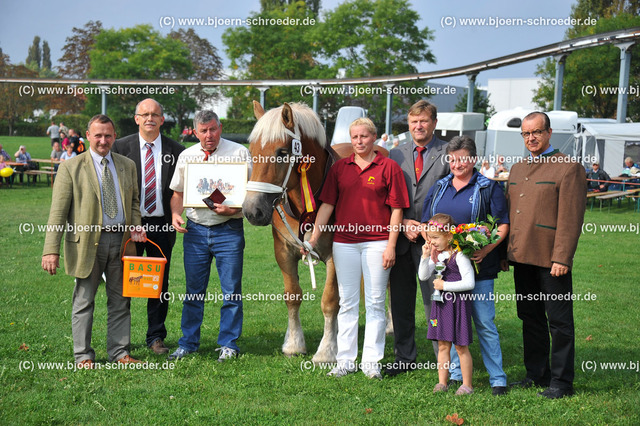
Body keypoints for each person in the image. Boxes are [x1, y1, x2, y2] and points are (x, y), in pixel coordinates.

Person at [304, 118, 409, 379]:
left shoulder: (389, 167)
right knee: (347, 303)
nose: (359, 141)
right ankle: (345, 361)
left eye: (364, 136)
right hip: (345, 244)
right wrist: (314, 238)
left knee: (375, 303)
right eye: (354, 137)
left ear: (374, 138)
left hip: (378, 243)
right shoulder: (340, 168)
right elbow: (326, 205)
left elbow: (397, 210)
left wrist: (391, 246)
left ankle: (371, 362)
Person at [41, 114, 147, 368]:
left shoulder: (127, 165)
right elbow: (57, 212)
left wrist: (136, 225)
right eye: (97, 135)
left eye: (108, 135)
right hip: (87, 244)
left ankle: (120, 353)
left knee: (121, 300)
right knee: (84, 300)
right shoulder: (70, 167)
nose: (103, 140)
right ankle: (83, 356)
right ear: (87, 136)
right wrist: (50, 251)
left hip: (122, 244)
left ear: (114, 137)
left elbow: (133, 202)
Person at [422, 136, 510, 396]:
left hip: (478, 269)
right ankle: (457, 378)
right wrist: (433, 247)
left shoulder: (487, 187)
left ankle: (497, 379)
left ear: (473, 159)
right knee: (450, 325)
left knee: (483, 322)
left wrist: (487, 247)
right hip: (446, 272)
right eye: (452, 159)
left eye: (463, 159)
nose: (457, 164)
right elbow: (428, 223)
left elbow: (502, 224)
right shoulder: (439, 187)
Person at [507, 111, 586, 399]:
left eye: (537, 132)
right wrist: (506, 254)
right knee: (530, 318)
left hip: (552, 261)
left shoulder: (568, 168)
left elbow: (571, 218)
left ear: (549, 133)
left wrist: (562, 258)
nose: (531, 138)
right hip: (521, 257)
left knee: (560, 322)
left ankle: (562, 382)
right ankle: (536, 374)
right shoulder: (516, 169)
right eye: (526, 134)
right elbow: (510, 215)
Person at [168, 110, 251, 362]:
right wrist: (175, 215)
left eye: (213, 129)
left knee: (231, 291)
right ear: (195, 132)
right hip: (195, 230)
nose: (209, 135)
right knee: (193, 291)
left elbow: (252, 193)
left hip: (229, 230)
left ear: (220, 127)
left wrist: (235, 209)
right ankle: (188, 343)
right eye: (203, 131)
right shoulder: (187, 156)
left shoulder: (239, 153)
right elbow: (178, 194)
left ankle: (229, 344)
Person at [112, 98, 185, 355]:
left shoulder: (177, 150)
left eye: (155, 114)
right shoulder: (120, 147)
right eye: (144, 114)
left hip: (162, 226)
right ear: (136, 119)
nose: (150, 118)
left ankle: (156, 337)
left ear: (162, 120)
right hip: (128, 225)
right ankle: (121, 340)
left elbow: (182, 189)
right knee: (125, 281)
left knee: (158, 284)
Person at [386, 100, 450, 377]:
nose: (418, 126)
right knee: (400, 303)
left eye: (423, 121)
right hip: (400, 240)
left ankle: (442, 360)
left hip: (433, 242)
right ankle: (404, 357)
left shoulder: (448, 153)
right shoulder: (395, 154)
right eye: (413, 122)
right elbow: (386, 198)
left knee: (434, 300)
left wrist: (428, 227)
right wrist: (404, 224)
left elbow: (453, 194)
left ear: (434, 123)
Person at [419, 213, 475, 395]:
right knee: (443, 345)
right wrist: (425, 257)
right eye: (429, 238)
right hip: (441, 307)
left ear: (449, 236)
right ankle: (442, 382)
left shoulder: (460, 256)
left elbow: (469, 283)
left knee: (460, 346)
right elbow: (423, 275)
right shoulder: (438, 256)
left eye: (435, 237)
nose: (432, 242)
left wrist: (445, 285)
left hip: (458, 305)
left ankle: (467, 384)